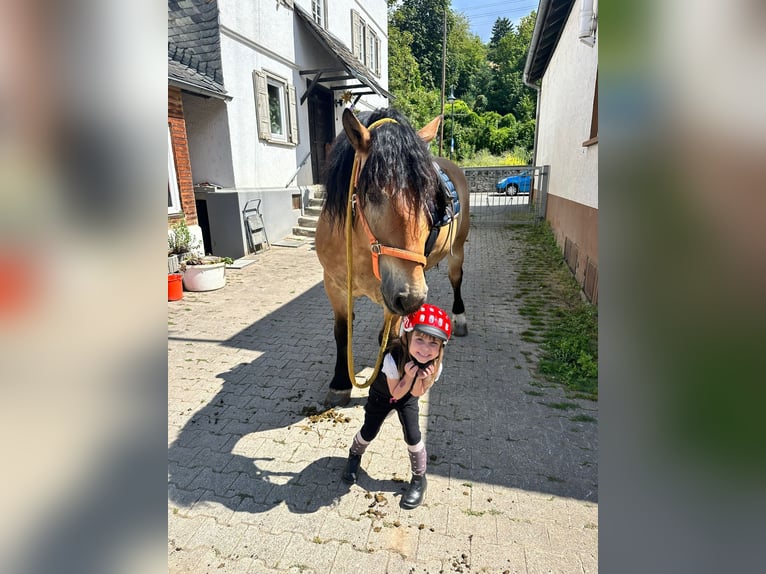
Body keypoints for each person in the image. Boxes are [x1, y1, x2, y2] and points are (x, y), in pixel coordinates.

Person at [342, 303, 452, 509]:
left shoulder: (435, 366)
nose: (425, 350)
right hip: (384, 395)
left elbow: (416, 394)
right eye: (419, 339)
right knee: (369, 431)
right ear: (407, 336)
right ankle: (354, 454)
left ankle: (419, 478)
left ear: (441, 348)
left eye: (433, 344)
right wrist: (409, 375)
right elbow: (396, 393)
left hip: (408, 396)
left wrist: (423, 380)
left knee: (413, 435)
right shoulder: (392, 358)